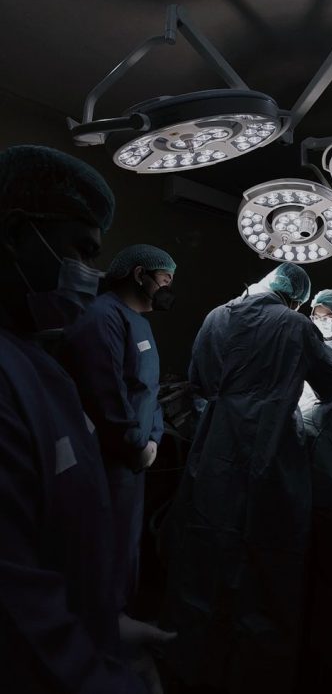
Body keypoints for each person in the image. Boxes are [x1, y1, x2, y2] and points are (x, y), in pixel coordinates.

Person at [0, 144, 169, 693]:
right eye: (82, 250)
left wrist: (103, 628)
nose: (89, 273)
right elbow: (16, 608)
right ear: (16, 232)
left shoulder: (30, 356)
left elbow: (56, 549)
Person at [163, 263, 332, 693]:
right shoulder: (294, 323)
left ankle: (190, 668)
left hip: (217, 444)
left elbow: (199, 380)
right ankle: (257, 675)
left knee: (205, 551)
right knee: (268, 558)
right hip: (270, 444)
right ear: (295, 297)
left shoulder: (215, 317)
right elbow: (330, 380)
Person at [63, 243, 176, 614]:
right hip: (108, 459)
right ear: (139, 274)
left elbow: (149, 389)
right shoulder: (101, 317)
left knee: (124, 549)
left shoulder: (139, 322)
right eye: (163, 280)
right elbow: (104, 392)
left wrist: (154, 438)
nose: (167, 289)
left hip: (134, 459)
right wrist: (134, 444)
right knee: (99, 553)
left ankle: (119, 625)